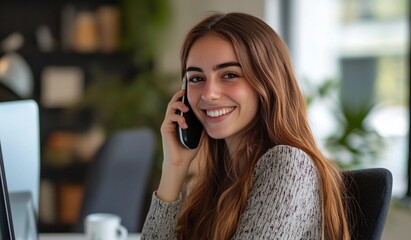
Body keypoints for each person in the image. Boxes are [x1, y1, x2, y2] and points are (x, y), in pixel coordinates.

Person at [141, 12, 350, 239]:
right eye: (196, 78)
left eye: (229, 74)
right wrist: (175, 166)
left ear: (267, 82)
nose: (209, 94)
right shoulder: (212, 183)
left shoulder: (288, 166)